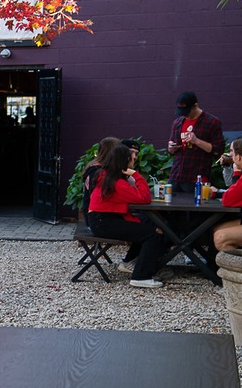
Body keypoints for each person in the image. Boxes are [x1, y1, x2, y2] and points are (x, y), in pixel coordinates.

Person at [88, 145, 167, 288]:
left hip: (101, 220)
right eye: (132, 157)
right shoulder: (117, 183)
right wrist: (136, 175)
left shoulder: (107, 176)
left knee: (147, 223)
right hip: (104, 222)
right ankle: (141, 276)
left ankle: (131, 262)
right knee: (151, 235)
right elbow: (144, 198)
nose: (134, 159)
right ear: (124, 161)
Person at [167, 91, 224, 193]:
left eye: (187, 111)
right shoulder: (177, 122)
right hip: (176, 175)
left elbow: (218, 150)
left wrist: (197, 141)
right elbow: (171, 148)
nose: (184, 115)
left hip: (197, 176)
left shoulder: (212, 122)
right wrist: (171, 148)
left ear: (195, 106)